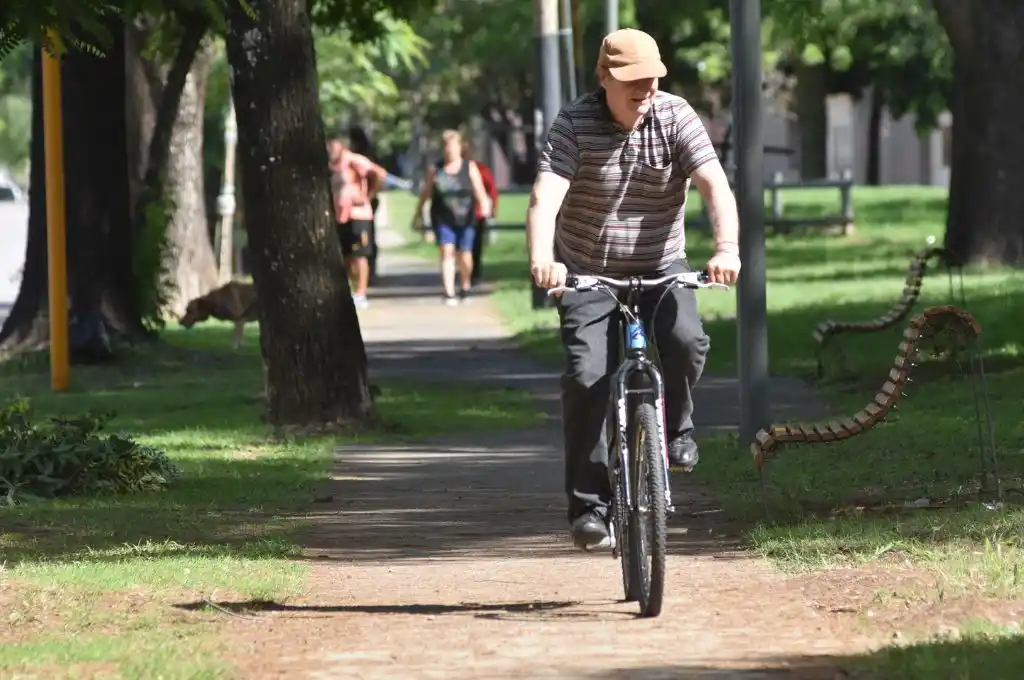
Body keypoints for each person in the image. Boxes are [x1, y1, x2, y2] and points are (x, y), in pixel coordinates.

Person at [526, 29, 742, 551]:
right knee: (586, 377)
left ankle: (675, 429)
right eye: (633, 82)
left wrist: (727, 248)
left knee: (687, 340)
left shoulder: (675, 115)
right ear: (604, 78)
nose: (645, 90)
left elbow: (714, 184)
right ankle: (589, 507)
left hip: (662, 264)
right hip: (589, 273)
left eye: (651, 80)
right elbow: (545, 196)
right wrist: (543, 260)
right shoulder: (574, 124)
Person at [412, 129, 492, 305]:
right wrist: (417, 215)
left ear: (459, 147)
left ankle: (465, 285)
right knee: (446, 251)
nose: (450, 149)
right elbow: (426, 194)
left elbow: (479, 190)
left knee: (465, 254)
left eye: (453, 145)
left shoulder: (469, 167)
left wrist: (484, 206)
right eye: (446, 146)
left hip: (466, 217)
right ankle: (449, 292)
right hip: (443, 218)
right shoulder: (436, 170)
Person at [328, 138, 387, 309]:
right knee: (344, 256)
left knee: (359, 255)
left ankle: (361, 293)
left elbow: (380, 174)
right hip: (340, 216)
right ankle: (348, 291)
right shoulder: (331, 166)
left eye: (334, 147)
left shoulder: (355, 161)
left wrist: (367, 195)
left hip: (358, 215)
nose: (331, 151)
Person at [469, 156, 499, 286]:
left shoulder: (481, 169)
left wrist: (491, 209)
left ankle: (474, 273)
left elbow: (491, 189)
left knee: (475, 246)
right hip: (458, 214)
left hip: (476, 213)